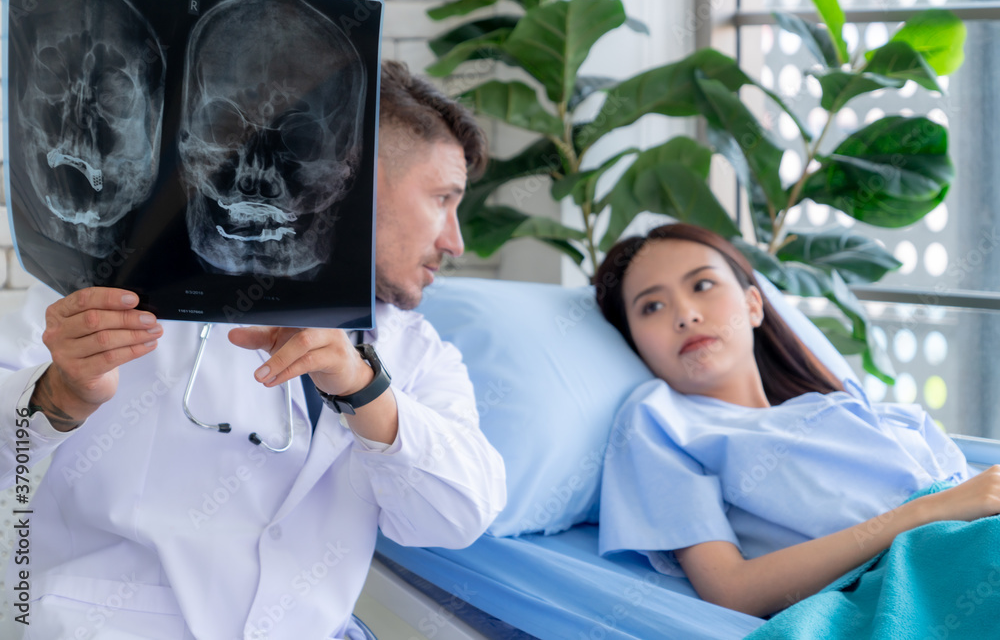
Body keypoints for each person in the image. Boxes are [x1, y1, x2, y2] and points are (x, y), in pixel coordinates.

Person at [0, 60, 506, 640]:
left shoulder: (417, 353)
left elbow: (461, 517)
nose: (456, 240)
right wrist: (62, 394)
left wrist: (363, 387)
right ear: (362, 181)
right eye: (443, 198)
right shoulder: (115, 292)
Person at [593, 222, 1000, 620]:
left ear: (753, 305)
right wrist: (926, 511)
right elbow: (730, 589)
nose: (685, 315)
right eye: (652, 306)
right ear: (634, 341)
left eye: (702, 285)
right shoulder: (659, 421)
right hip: (919, 578)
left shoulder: (844, 406)